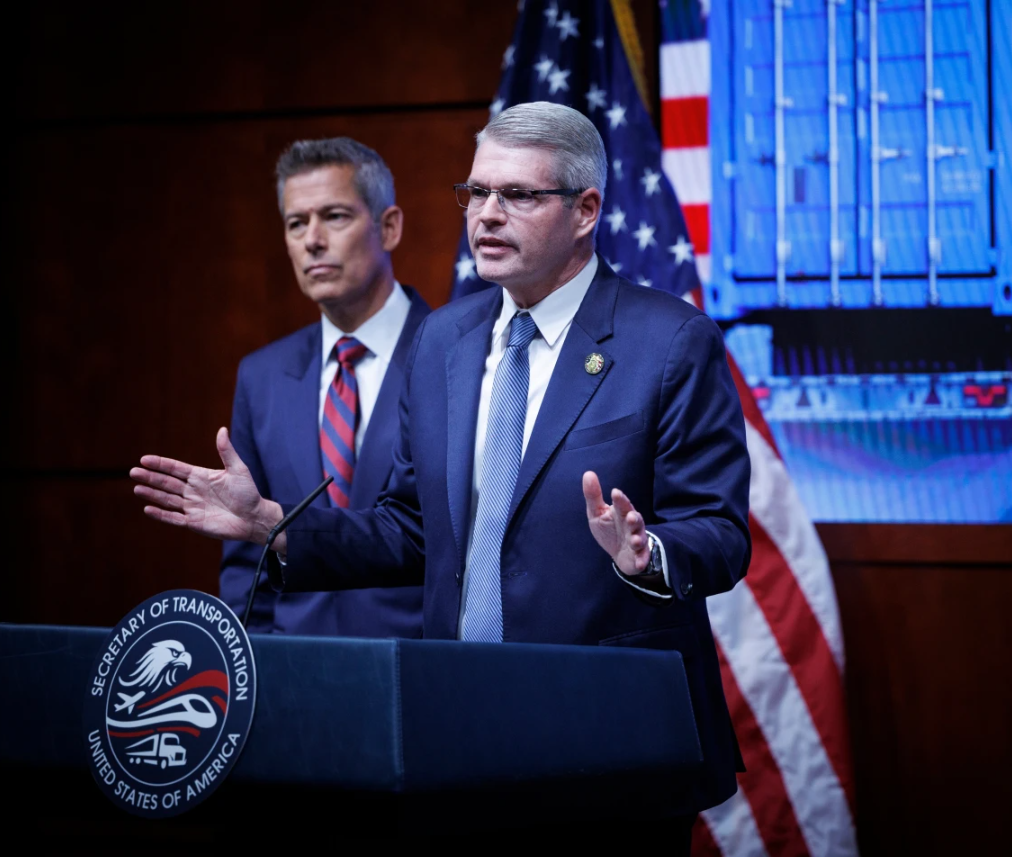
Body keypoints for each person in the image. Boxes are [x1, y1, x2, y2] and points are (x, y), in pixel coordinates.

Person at [132, 102, 750, 843]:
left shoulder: (671, 341)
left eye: (517, 195)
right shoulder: (443, 340)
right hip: (457, 735)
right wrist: (277, 527)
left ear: (585, 210)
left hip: (607, 741)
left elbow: (719, 530)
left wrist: (648, 555)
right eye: (476, 192)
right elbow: (410, 528)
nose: (486, 215)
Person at [219, 137, 429, 638]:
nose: (312, 240)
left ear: (389, 227)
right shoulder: (262, 376)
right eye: (296, 223)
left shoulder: (456, 355)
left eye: (334, 217)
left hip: (420, 665)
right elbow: (246, 562)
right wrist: (257, 665)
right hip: (294, 667)